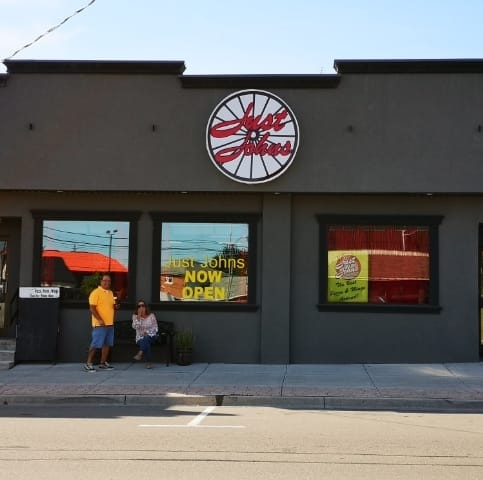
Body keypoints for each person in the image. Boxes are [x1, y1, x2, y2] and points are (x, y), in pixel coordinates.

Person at [84, 273, 120, 372]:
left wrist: (116, 307)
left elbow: (112, 306)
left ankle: (103, 363)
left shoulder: (111, 293)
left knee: (107, 344)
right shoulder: (96, 292)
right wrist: (99, 319)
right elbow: (92, 308)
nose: (107, 282)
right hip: (99, 324)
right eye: (105, 280)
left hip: (110, 324)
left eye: (109, 281)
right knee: (95, 344)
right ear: (101, 282)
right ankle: (88, 363)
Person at [132, 300, 159, 369]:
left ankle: (140, 353)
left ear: (146, 307)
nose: (141, 307)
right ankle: (149, 362)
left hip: (152, 336)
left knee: (146, 338)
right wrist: (138, 317)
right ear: (137, 308)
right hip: (140, 337)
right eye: (139, 306)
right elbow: (135, 327)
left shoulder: (151, 315)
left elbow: (156, 328)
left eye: (143, 306)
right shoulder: (135, 316)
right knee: (146, 341)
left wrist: (148, 332)